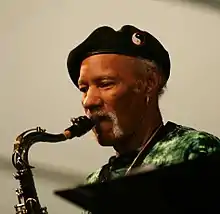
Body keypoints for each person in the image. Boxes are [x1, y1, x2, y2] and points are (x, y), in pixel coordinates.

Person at [66, 25, 220, 184]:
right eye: (84, 89)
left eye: (105, 84)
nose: (88, 101)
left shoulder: (195, 150)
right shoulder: (95, 180)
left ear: (149, 82)